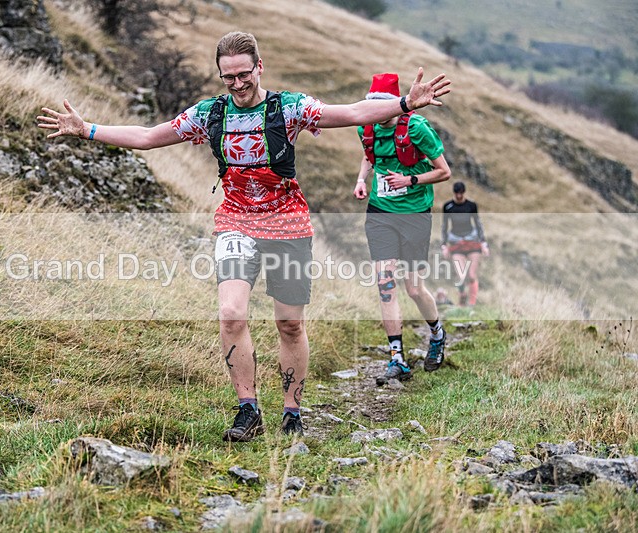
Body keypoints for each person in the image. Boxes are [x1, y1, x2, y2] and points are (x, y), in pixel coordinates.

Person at [38, 32, 450, 442]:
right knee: (231, 313)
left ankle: (292, 410)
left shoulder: (289, 108)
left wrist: (403, 104)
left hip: (288, 223)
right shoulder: (209, 114)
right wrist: (87, 129)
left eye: (243, 74)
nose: (237, 84)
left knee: (289, 324)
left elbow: (350, 113)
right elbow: (148, 138)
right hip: (235, 221)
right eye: (227, 77)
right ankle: (248, 410)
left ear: (259, 67)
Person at [353, 72, 452, 386]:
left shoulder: (417, 128)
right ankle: (396, 358)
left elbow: (443, 172)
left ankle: (437, 333)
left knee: (413, 288)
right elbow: (370, 155)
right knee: (385, 283)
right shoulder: (365, 127)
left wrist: (410, 180)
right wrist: (361, 180)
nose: (379, 116)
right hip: (380, 212)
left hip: (415, 214)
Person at [441, 181, 489, 306]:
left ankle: (472, 304)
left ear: (464, 193)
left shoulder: (471, 205)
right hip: (456, 242)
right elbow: (444, 226)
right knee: (461, 276)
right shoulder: (448, 207)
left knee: (472, 275)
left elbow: (478, 223)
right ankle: (462, 298)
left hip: (472, 241)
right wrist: (444, 245)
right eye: (457, 193)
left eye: (461, 193)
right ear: (454, 193)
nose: (459, 196)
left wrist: (483, 243)